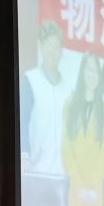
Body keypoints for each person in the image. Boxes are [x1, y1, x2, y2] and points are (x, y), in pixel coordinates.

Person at [62, 52, 104, 206]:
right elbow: (66, 149)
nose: (92, 75)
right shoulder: (70, 104)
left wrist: (91, 187)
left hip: (94, 192)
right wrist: (79, 186)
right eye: (88, 70)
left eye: (96, 71)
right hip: (76, 189)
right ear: (82, 72)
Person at [20, 20, 68, 175]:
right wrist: (24, 156)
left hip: (62, 171)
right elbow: (23, 120)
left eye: (56, 46)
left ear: (61, 52)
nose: (52, 51)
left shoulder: (67, 88)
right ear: (40, 47)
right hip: (36, 167)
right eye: (48, 45)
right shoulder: (30, 79)